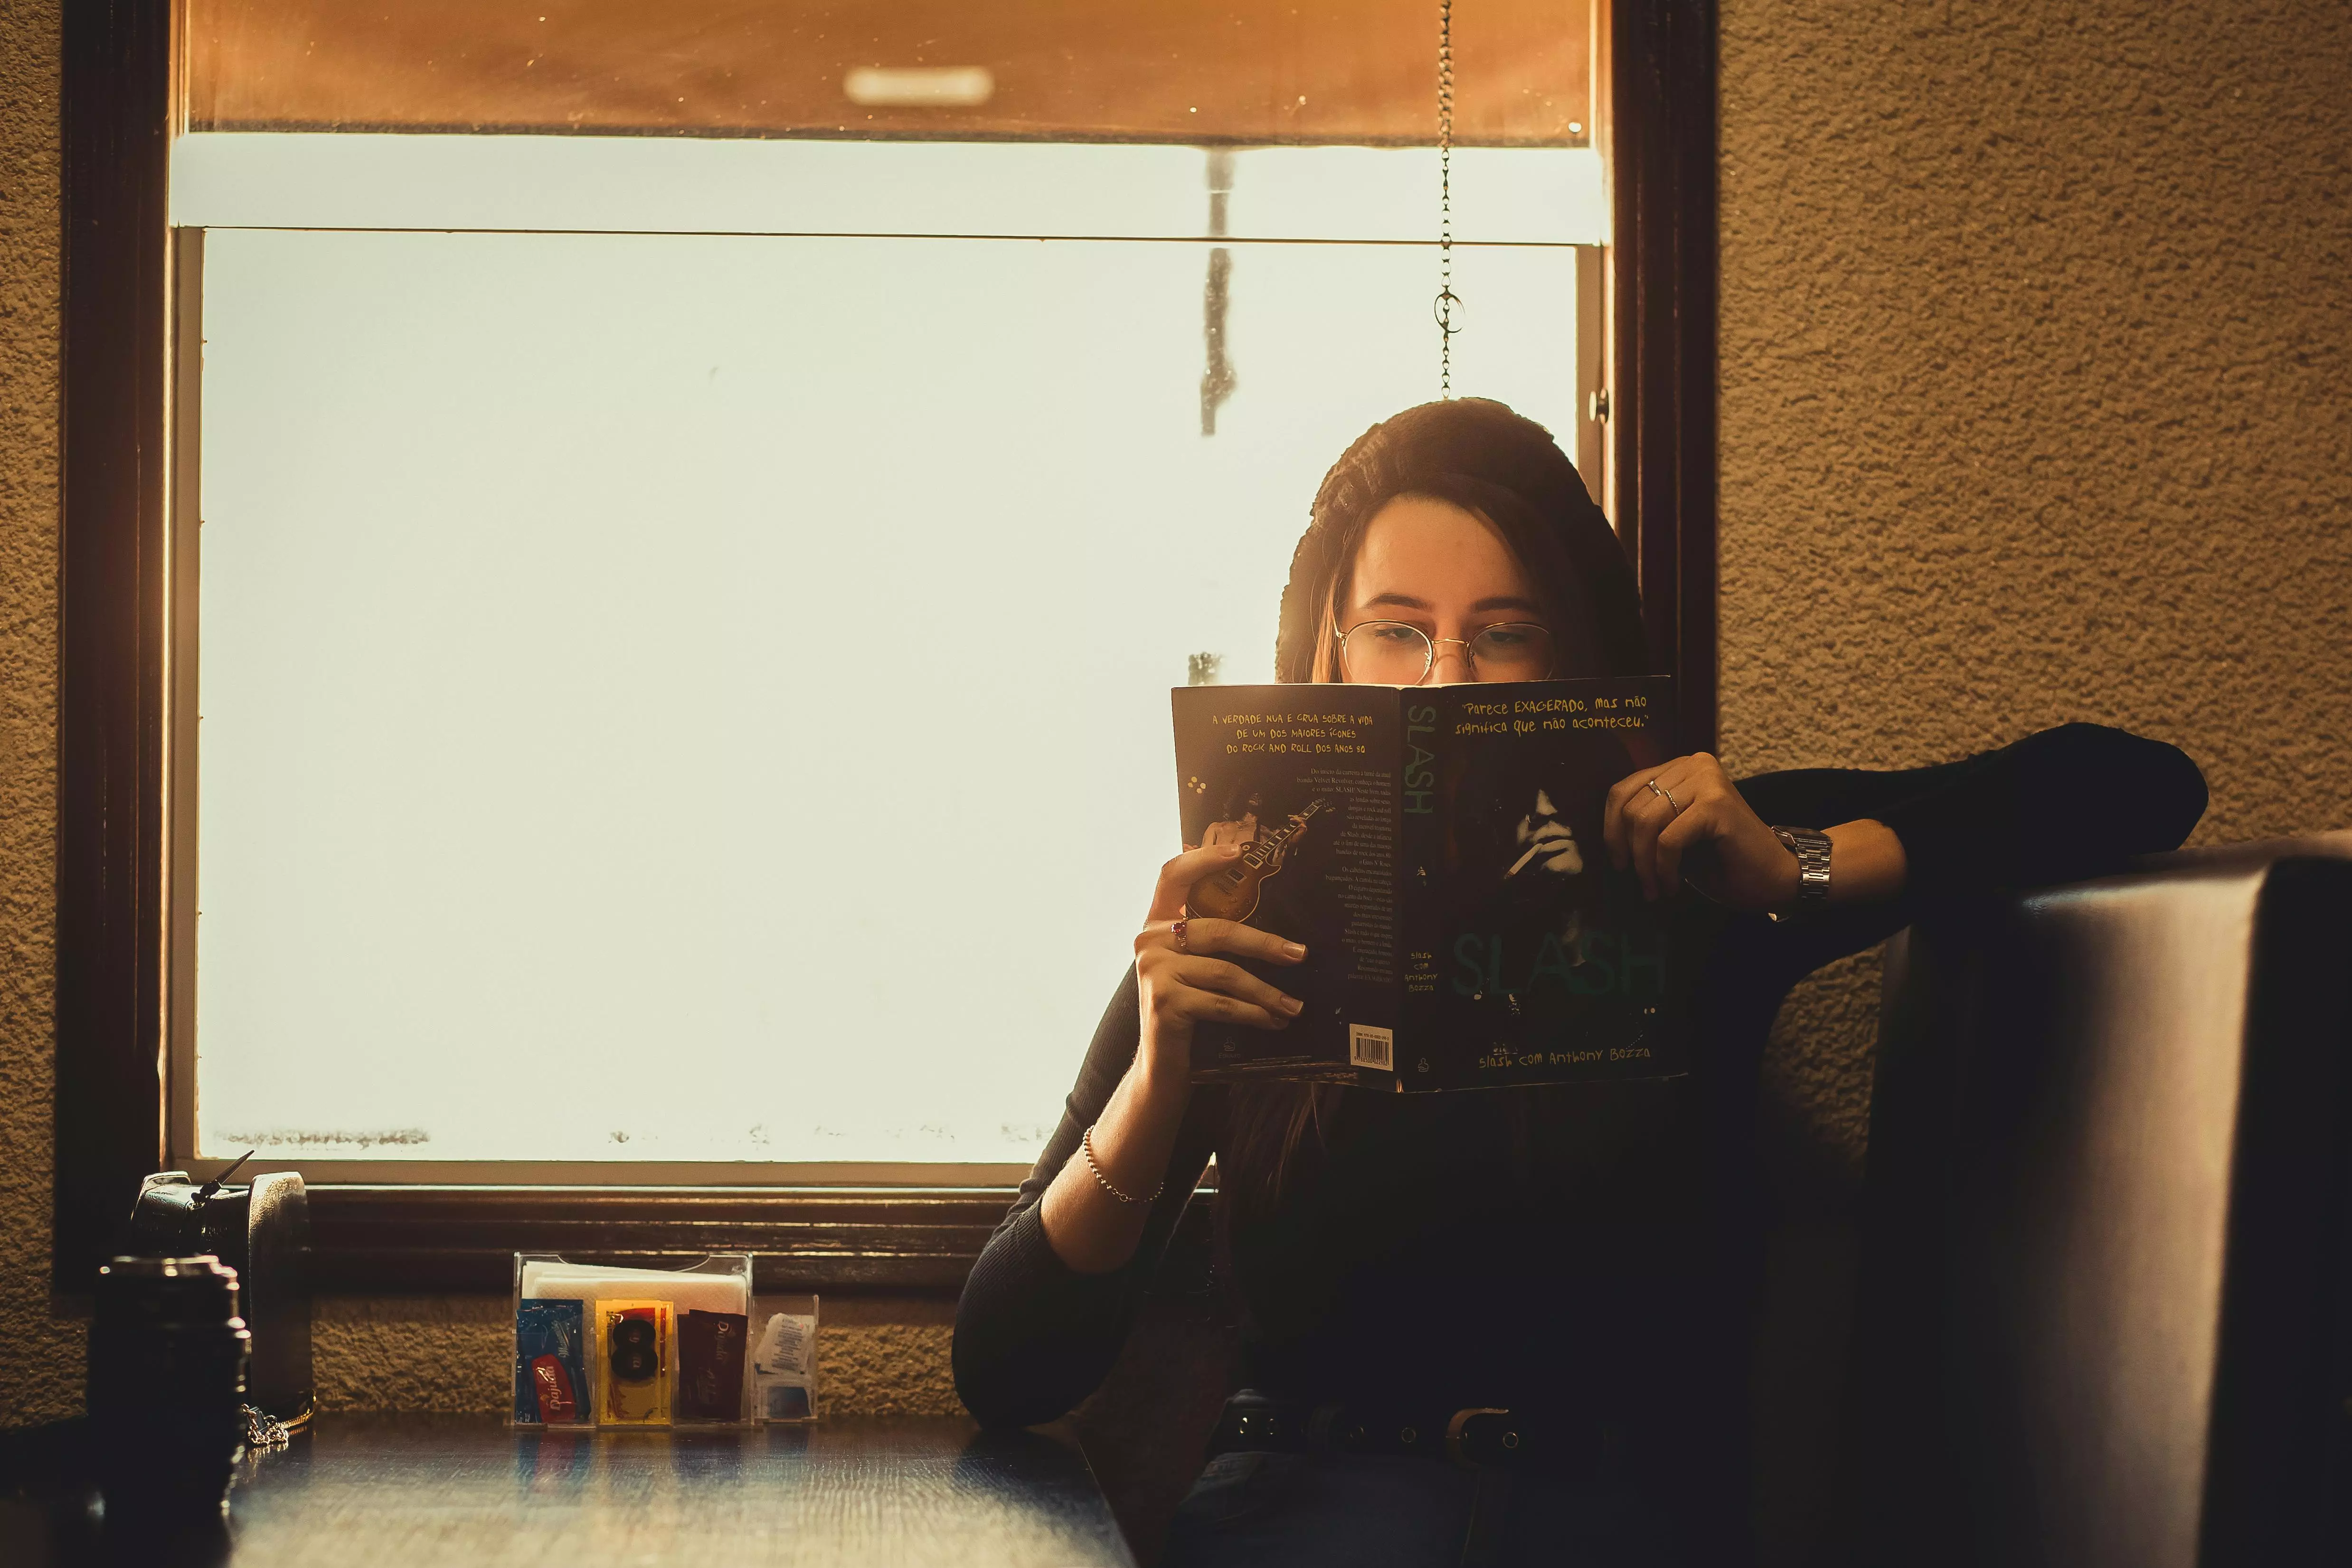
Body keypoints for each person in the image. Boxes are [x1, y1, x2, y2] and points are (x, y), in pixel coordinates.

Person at [951, 398, 2208, 1566]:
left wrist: (1795, 866)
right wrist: (1162, 1078)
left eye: (1503, 633)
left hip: (1612, 1520)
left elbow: (2133, 783)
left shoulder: (1693, 866)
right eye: (1399, 630)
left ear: (1578, 658)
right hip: (1306, 1510)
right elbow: (1004, 1361)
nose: (1446, 676)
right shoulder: (1243, 911)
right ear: (1328, 654)